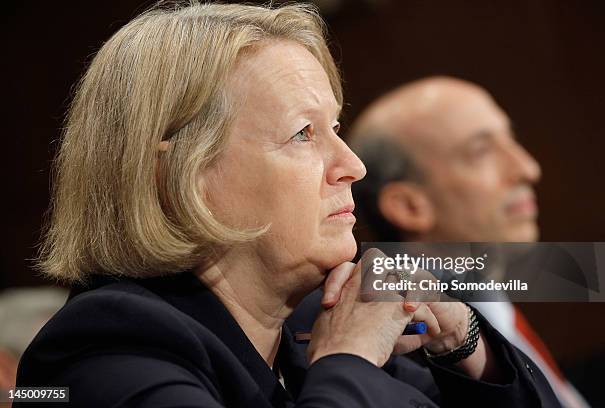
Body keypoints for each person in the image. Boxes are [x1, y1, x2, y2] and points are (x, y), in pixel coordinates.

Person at [16, 4, 561, 407]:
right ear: (179, 173)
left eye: (336, 129)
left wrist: (460, 343)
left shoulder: (313, 323)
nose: (352, 165)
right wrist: (347, 361)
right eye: (303, 133)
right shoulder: (106, 349)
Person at [348, 76, 588, 407]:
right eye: (481, 151)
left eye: (511, 138)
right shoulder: (418, 360)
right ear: (409, 206)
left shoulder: (494, 310)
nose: (528, 168)